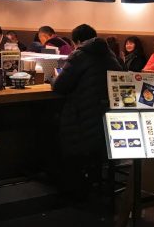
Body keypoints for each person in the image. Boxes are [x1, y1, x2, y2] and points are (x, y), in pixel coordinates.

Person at [51, 24, 122, 196]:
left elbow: (61, 85)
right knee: (94, 149)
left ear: (77, 41)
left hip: (82, 115)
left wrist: (53, 78)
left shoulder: (79, 55)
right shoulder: (110, 54)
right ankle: (94, 181)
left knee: (56, 132)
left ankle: (75, 187)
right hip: (107, 117)